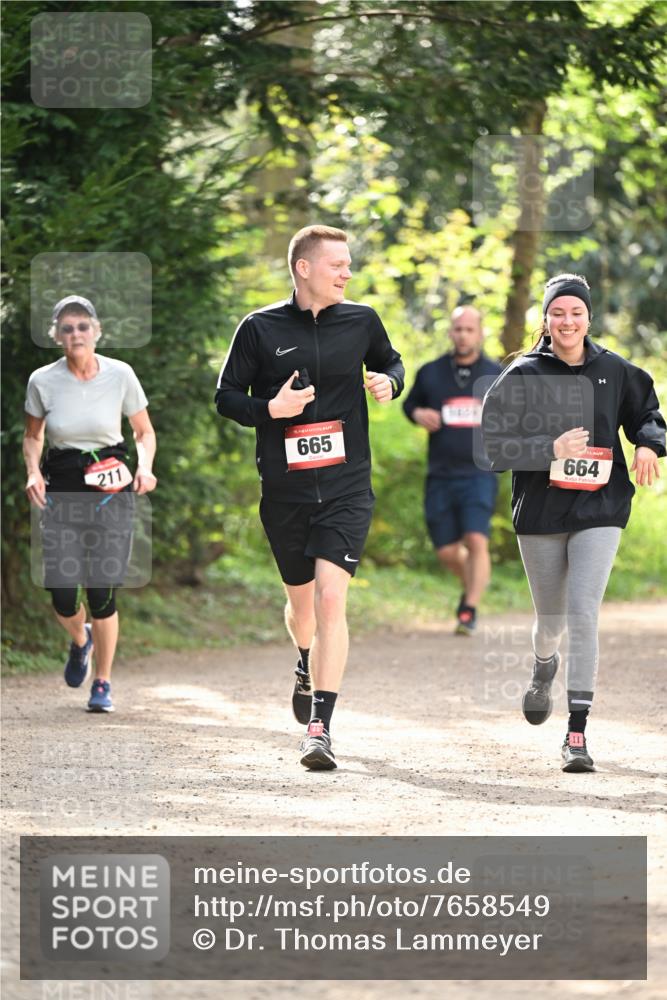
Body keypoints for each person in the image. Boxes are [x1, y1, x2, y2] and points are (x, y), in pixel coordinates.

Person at [215, 224, 404, 770]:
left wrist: (391, 382)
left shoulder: (361, 320)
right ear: (304, 269)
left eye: (349, 264)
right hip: (286, 490)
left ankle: (320, 727)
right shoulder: (259, 328)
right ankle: (303, 657)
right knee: (303, 612)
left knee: (330, 600)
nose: (348, 273)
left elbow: (392, 362)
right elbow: (225, 396)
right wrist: (269, 411)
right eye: (337, 265)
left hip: (347, 484)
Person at [482, 273, 664, 772]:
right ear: (545, 318)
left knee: (583, 614)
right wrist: (549, 451)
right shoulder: (522, 374)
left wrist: (649, 443)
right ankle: (544, 666)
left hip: (600, 507)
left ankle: (576, 733)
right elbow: (493, 448)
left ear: (588, 317)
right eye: (558, 312)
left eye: (576, 312)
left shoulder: (615, 370)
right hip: (541, 512)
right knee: (551, 622)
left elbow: (646, 413)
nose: (567, 321)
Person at [24, 295, 157, 713]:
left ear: (96, 331)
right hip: (62, 487)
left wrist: (146, 467)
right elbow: (33, 436)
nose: (76, 334)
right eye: (67, 328)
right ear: (57, 336)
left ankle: (103, 682)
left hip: (110, 490)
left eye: (83, 326)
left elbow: (143, 433)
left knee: (102, 592)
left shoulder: (121, 375)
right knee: (62, 593)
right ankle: (80, 639)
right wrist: (32, 471)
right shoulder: (42, 380)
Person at [402, 306, 502, 635]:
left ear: (481, 333)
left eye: (469, 330)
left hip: (479, 472)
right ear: (450, 332)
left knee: (476, 538)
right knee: (446, 550)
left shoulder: (495, 375)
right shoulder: (431, 372)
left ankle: (469, 608)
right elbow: (409, 403)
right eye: (458, 329)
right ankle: (471, 583)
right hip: (441, 474)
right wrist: (418, 414)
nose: (463, 335)